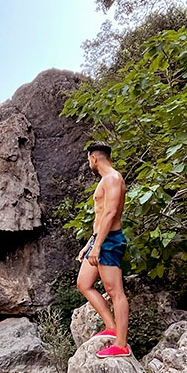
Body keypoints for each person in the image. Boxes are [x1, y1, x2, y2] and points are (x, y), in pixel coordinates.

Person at [76, 142, 130, 357]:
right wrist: (89, 243)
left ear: (94, 158)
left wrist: (98, 246)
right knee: (84, 283)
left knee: (115, 291)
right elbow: (99, 217)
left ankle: (121, 344)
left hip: (110, 241)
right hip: (99, 239)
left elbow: (110, 214)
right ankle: (111, 326)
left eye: (89, 159)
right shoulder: (105, 181)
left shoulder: (113, 179)